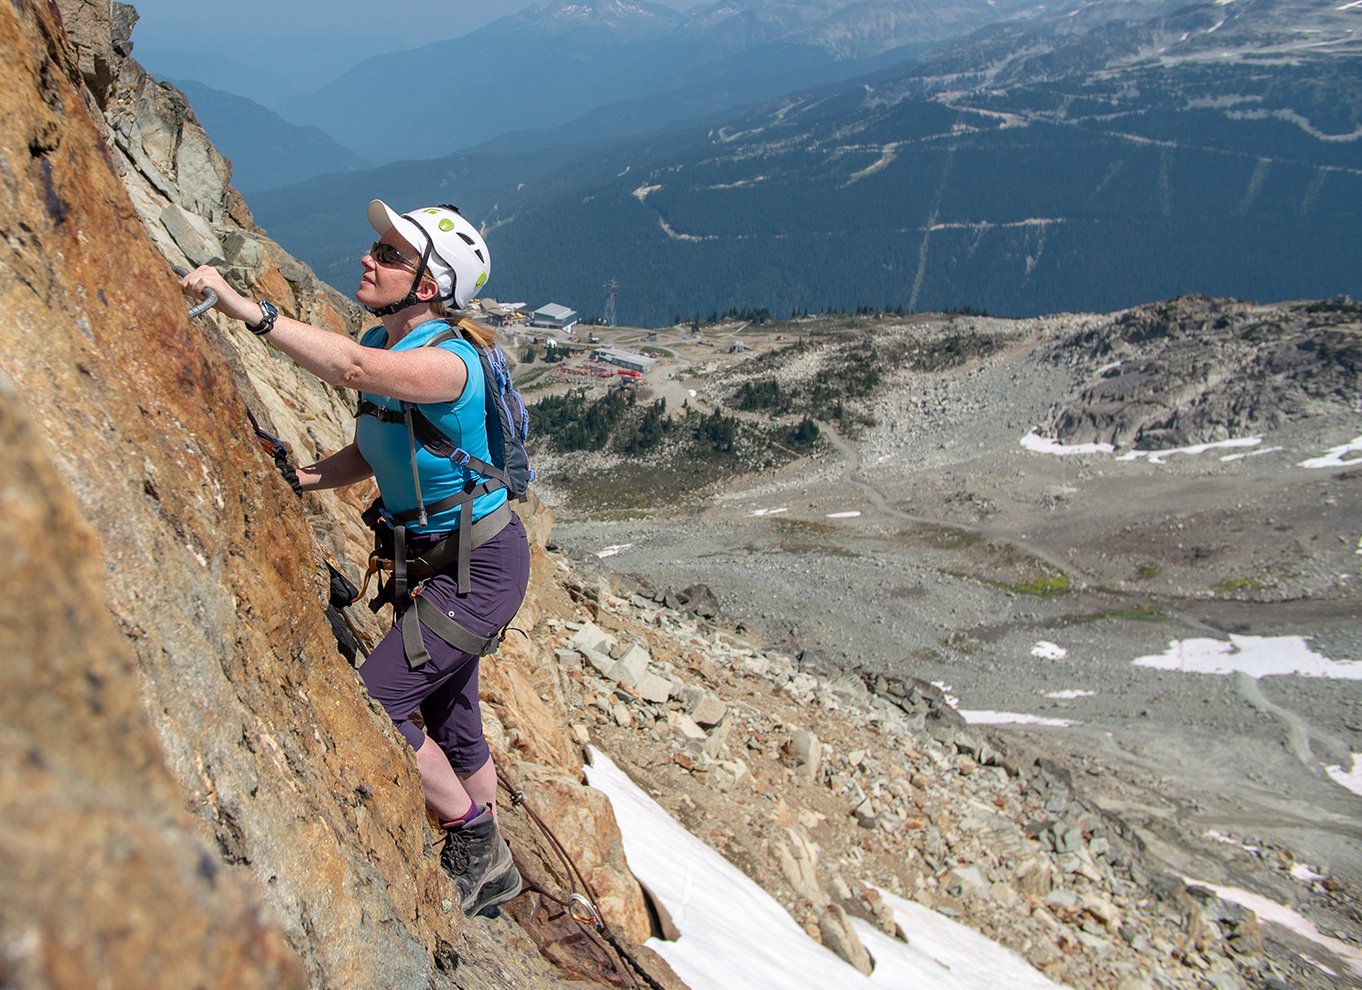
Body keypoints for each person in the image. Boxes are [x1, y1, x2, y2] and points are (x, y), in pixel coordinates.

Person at [181, 200, 529, 918]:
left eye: (391, 254)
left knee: (376, 697)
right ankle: (494, 871)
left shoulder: (443, 364)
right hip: (440, 560)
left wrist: (247, 309)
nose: (369, 258)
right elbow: (376, 448)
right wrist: (308, 478)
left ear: (428, 286)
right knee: (451, 713)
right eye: (377, 245)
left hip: (476, 568)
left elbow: (348, 368)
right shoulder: (390, 339)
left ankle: (474, 840)